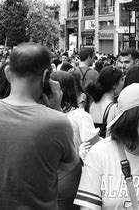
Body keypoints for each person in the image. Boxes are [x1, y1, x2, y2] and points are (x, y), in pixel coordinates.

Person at [0, 43, 77, 209]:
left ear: (7, 72)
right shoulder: (57, 122)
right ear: (46, 75)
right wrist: (57, 109)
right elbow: (67, 166)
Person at [50, 71, 100, 210]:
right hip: (72, 175)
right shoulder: (80, 116)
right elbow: (94, 146)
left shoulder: (42, 115)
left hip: (46, 175)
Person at [85, 65, 124, 138]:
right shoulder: (114, 108)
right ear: (114, 85)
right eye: (122, 79)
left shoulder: (93, 104)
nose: (124, 82)